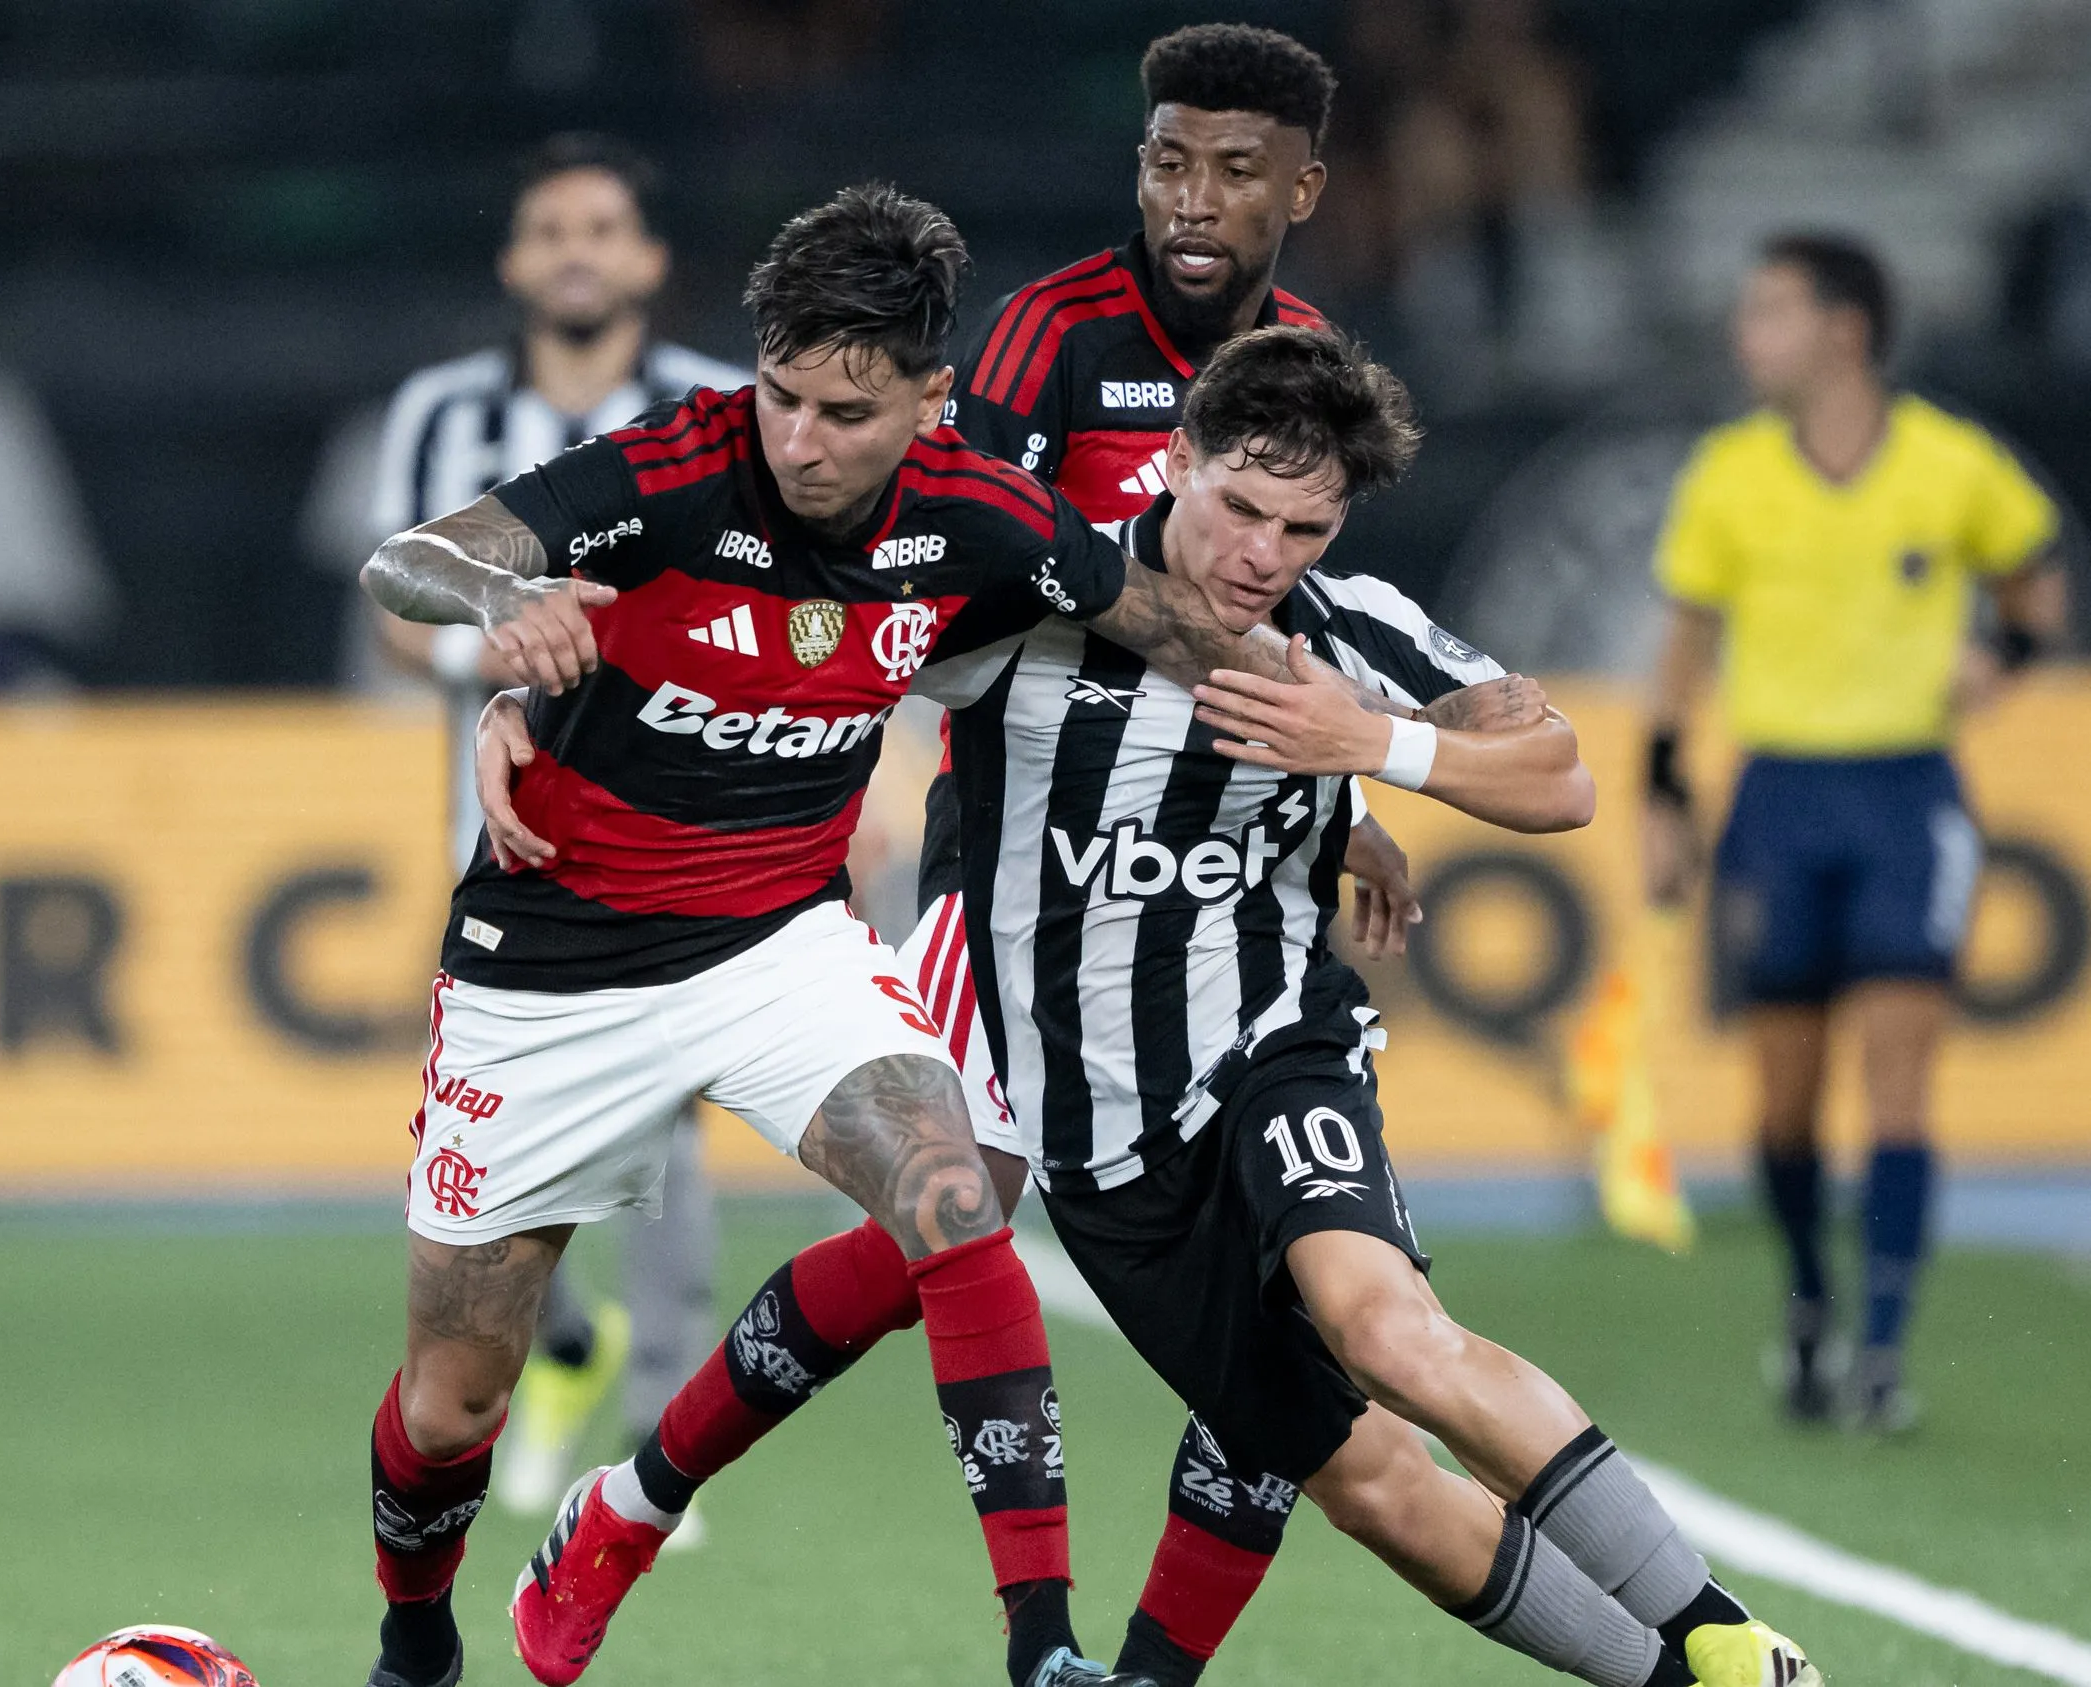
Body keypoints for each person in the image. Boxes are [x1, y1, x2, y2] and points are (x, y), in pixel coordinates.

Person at [492, 328, 1831, 1687]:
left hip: (1273, 1048)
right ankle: (634, 1505)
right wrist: (529, 704)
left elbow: (1558, 775)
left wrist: (1369, 749)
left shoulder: (1346, 624)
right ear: (1174, 458)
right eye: (1240, 507)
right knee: (1352, 1471)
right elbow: (757, 625)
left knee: (1384, 1331)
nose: (1262, 553)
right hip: (1076, 1088)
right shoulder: (1026, 587)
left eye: (1303, 528)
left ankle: (1708, 1640)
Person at [354, 182, 1320, 1687]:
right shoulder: (670, 470)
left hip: (775, 943)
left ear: (934, 400)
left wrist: (1376, 753)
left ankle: (1044, 1647)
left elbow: (1182, 630)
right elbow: (408, 558)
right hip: (547, 964)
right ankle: (418, 1640)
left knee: (953, 1194)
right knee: (453, 1401)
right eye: (783, 394)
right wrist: (500, 592)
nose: (801, 440)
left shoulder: (981, 513)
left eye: (847, 412)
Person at [362, 133, 751, 1521]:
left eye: (601, 227)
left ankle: (657, 1434)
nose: (576, 251)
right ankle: (567, 1336)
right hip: (501, 822)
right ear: (514, 260)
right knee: (481, 1122)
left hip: (680, 815)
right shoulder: (440, 414)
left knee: (670, 1116)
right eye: (550, 229)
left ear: (649, 258)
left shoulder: (721, 406)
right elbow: (395, 615)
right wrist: (507, 646)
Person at [1645, 233, 2066, 1431]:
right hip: (1779, 797)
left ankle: (1881, 1346)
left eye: (1769, 311)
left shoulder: (1951, 463)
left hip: (1907, 797)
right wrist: (1666, 800)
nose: (1747, 334)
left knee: (1898, 1085)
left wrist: (2007, 653)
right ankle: (1810, 1293)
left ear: (1845, 329)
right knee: (1784, 1102)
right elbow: (1683, 653)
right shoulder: (1730, 473)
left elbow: (2038, 579)